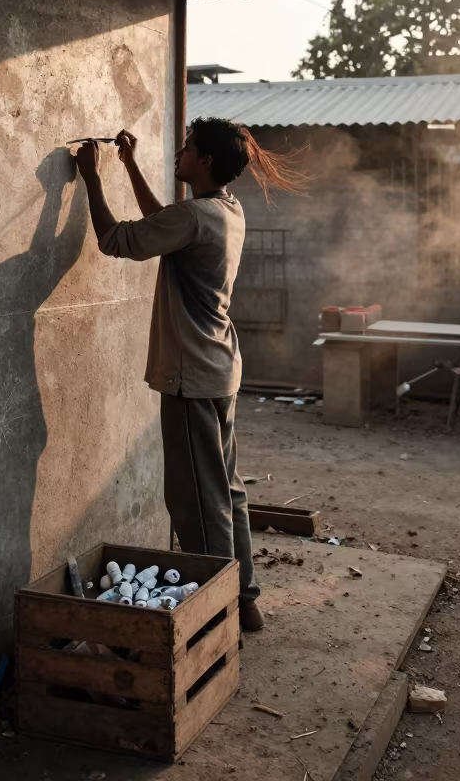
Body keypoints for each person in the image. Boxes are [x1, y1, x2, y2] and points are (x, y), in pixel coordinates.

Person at [74, 117, 305, 633]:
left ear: (203, 161)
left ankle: (214, 615)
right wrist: (128, 165)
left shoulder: (197, 216)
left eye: (186, 147)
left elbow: (118, 240)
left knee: (196, 503)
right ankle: (244, 600)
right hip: (219, 370)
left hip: (190, 378)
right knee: (227, 491)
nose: (178, 153)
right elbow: (166, 224)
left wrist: (91, 178)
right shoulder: (225, 209)